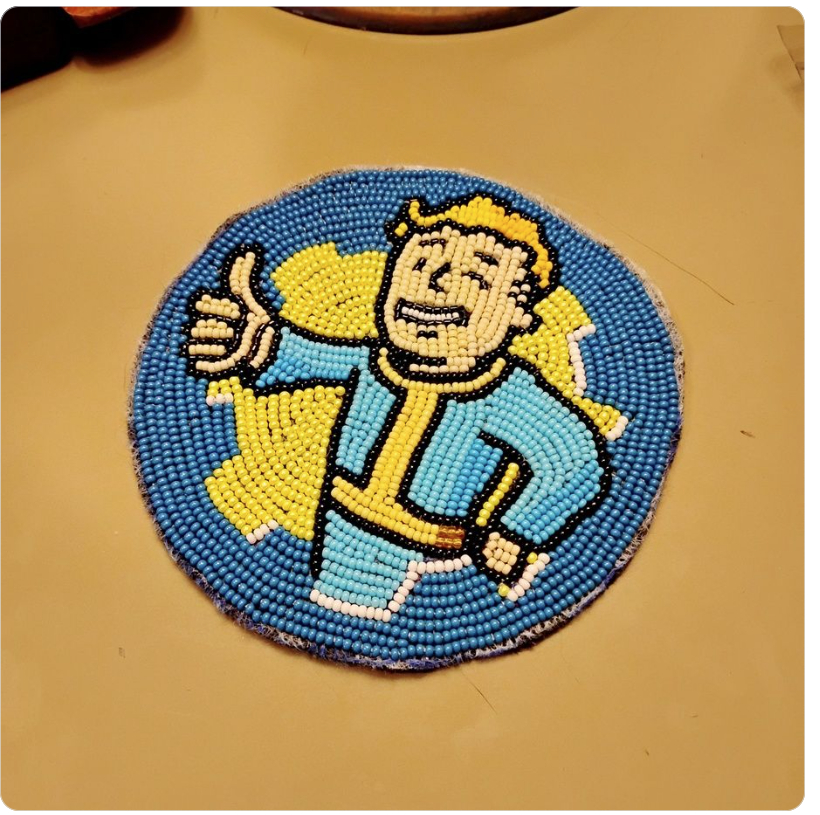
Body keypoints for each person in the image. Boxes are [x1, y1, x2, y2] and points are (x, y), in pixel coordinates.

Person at [185, 194, 625, 620]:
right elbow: (308, 355)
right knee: (331, 604)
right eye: (419, 263)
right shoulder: (374, 363)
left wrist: (515, 532)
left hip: (430, 560)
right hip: (340, 525)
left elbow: (576, 462)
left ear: (519, 314)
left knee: (387, 617)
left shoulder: (509, 397)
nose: (436, 282)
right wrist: (255, 343)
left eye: (475, 276)